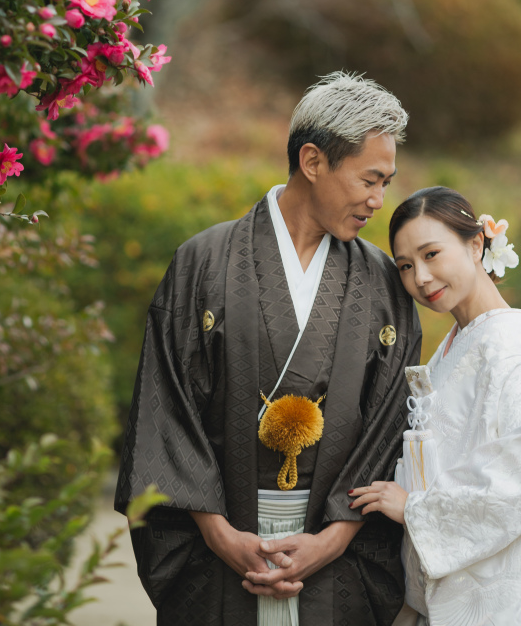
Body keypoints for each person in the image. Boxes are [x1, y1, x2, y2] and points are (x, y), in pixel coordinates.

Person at [115, 73, 422, 625]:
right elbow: (165, 412)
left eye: (386, 182)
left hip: (340, 556)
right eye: (370, 180)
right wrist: (221, 536)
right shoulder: (202, 262)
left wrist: (330, 540)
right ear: (313, 161)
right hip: (220, 545)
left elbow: (390, 426)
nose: (379, 201)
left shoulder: (381, 280)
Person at [348, 186, 521, 626]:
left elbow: (518, 474)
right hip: (459, 581)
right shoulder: (455, 348)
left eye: (432, 254)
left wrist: (415, 508)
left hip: (508, 592)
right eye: (407, 266)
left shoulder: (511, 343)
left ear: (475, 244)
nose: (422, 279)